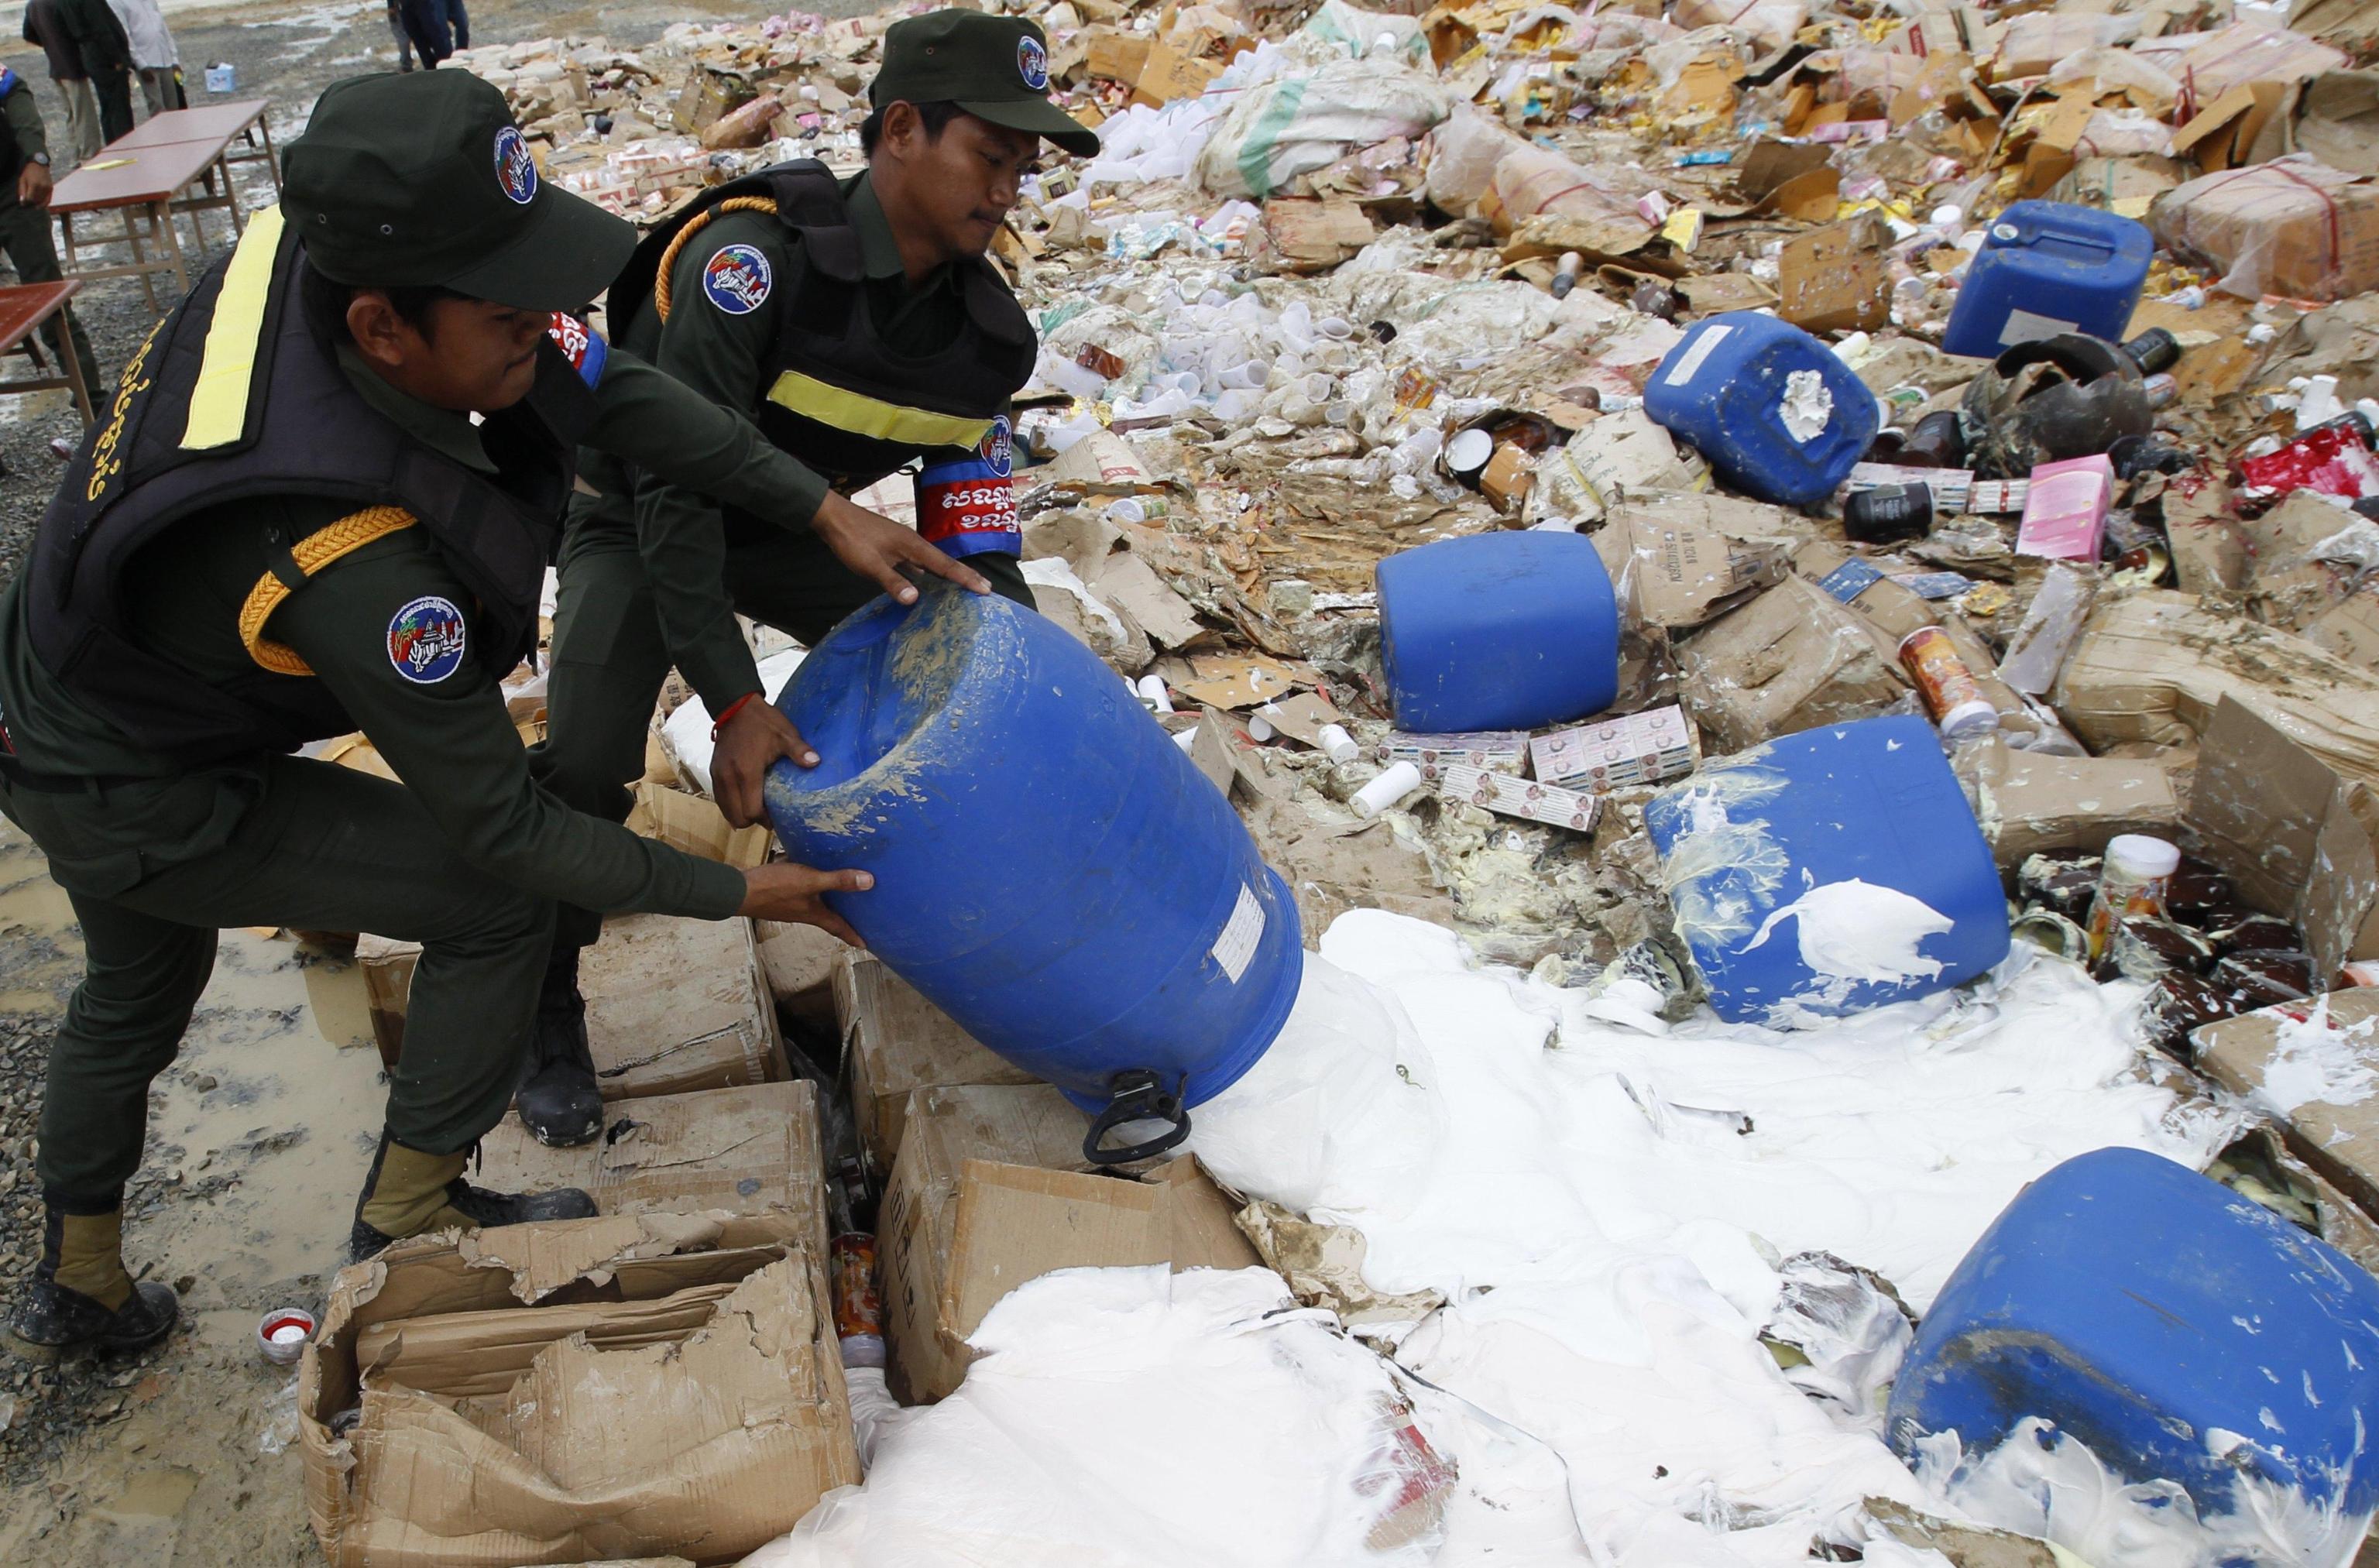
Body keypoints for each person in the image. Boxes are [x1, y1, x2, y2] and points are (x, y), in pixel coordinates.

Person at [0, 70, 980, 1359]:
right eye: (512, 308)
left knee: (138, 978)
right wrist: (745, 894)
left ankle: (79, 1284)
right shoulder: (358, 563)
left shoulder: (346, 248)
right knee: (492, 905)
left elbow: (613, 391)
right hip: (129, 772)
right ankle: (407, 1214)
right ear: (386, 330)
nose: (547, 322)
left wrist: (817, 505)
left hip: (68, 679)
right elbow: (508, 836)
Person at [520, 11, 1097, 1147]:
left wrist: (1017, 682)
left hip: (802, 534)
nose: (1008, 191)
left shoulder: (987, 340)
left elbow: (976, 540)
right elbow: (677, 489)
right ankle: (543, 997)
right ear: (899, 130)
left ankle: (952, 923)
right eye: (991, 155)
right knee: (587, 755)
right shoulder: (751, 263)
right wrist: (736, 702)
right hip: (640, 515)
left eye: (1024, 169)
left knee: (955, 666)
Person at [0, 67, 101, 405]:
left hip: (13, 191)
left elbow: (13, 90)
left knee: (50, 298)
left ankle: (93, 403)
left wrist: (37, 157)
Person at [20, 0, 99, 163]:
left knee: (70, 114)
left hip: (56, 66)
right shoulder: (60, 3)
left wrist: (48, 43)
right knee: (83, 114)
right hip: (73, 65)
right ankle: (89, 155)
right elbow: (78, 31)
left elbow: (28, 34)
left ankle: (76, 156)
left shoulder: (33, 5)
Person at [57, 0, 130, 144]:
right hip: (104, 56)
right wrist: (117, 58)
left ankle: (113, 146)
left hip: (90, 54)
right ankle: (125, 146)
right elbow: (100, 29)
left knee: (107, 105)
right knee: (118, 108)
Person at [102, 0, 180, 117]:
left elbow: (163, 28)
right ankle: (162, 134)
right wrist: (141, 64)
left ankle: (177, 134)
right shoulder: (118, 2)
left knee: (173, 105)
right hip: (146, 60)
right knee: (157, 107)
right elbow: (125, 34)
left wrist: (174, 58)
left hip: (165, 58)